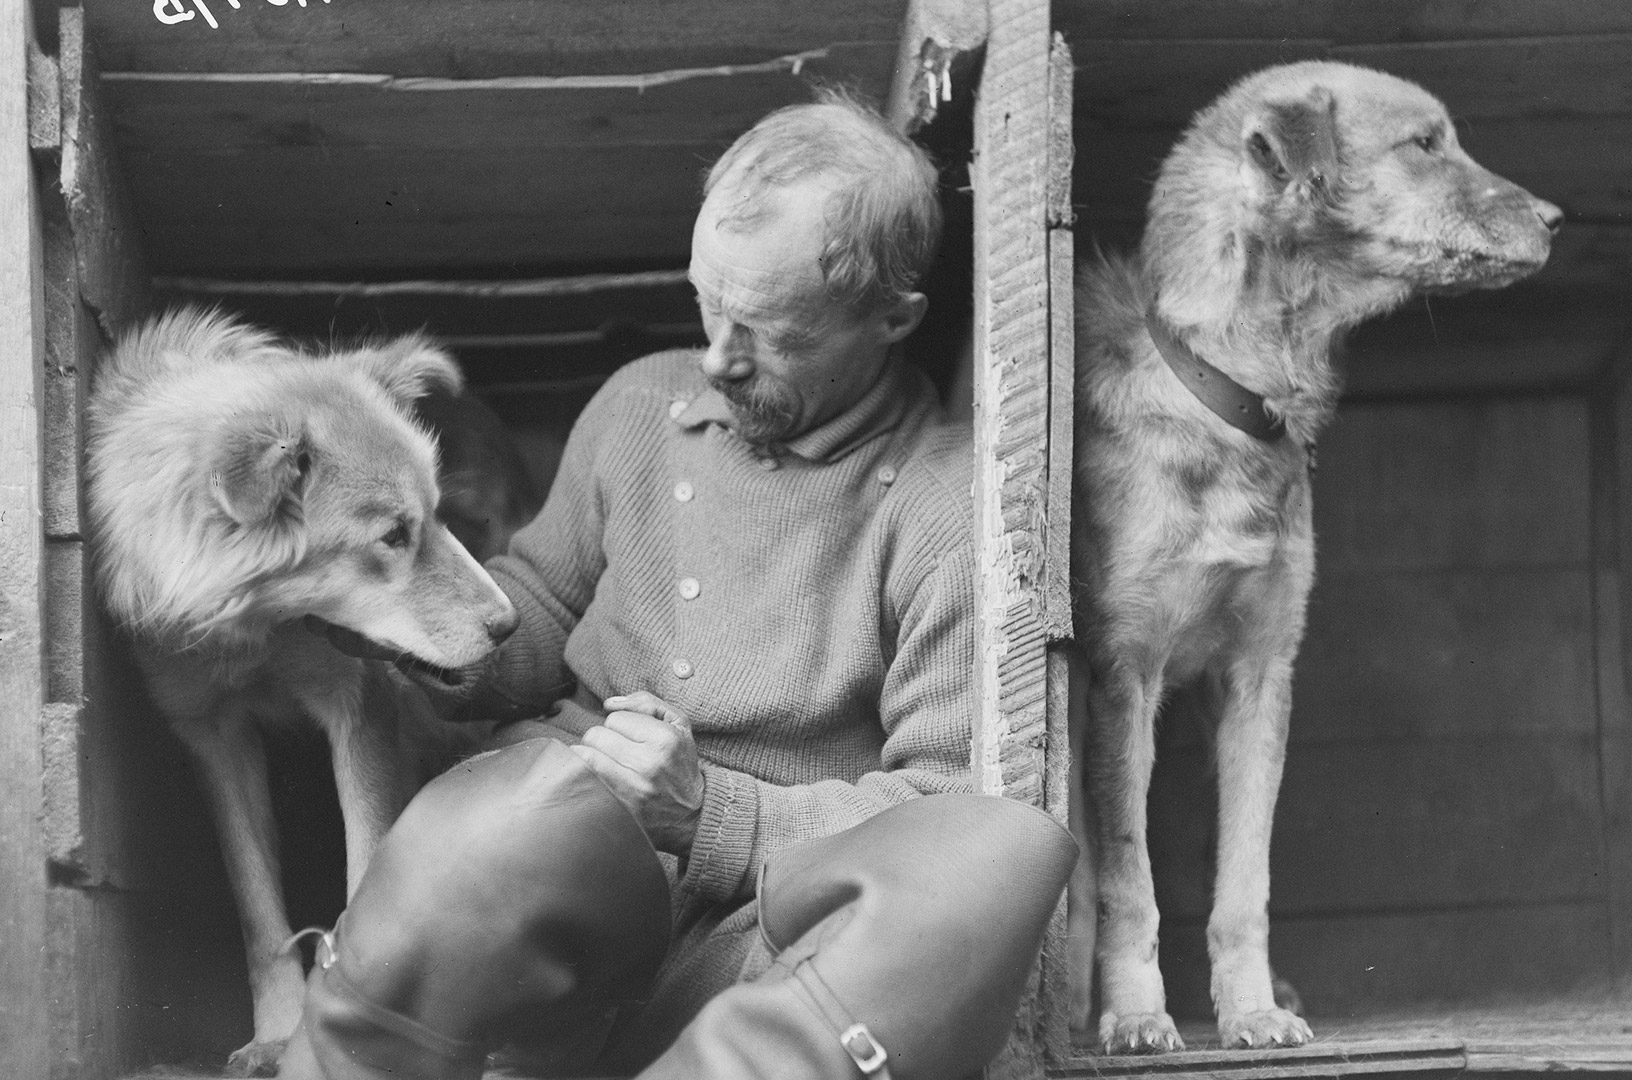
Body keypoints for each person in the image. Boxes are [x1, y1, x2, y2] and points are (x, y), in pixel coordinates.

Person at [278, 91, 1076, 1080]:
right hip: (548, 922)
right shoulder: (639, 404)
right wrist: (419, 631)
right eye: (710, 303)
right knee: (515, 808)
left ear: (891, 318)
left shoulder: (943, 504)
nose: (717, 357)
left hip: (752, 949)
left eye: (769, 330)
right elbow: (537, 610)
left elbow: (934, 805)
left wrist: (709, 815)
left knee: (998, 860)